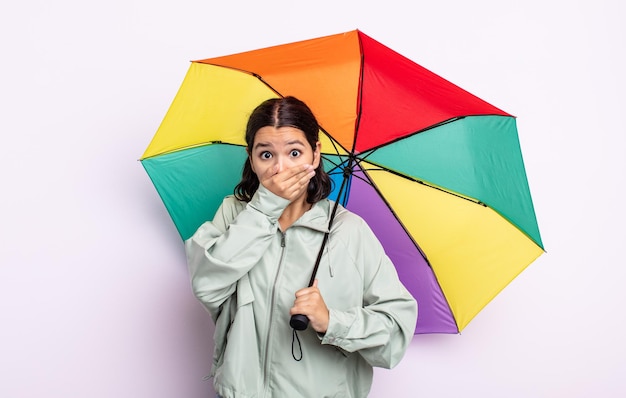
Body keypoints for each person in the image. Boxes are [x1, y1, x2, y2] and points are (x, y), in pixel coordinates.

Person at [185, 96, 417, 398]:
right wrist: (265, 207)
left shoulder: (349, 231)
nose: (280, 169)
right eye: (266, 155)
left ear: (315, 154)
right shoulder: (234, 214)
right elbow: (206, 285)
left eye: (295, 152)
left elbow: (395, 336)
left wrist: (332, 321)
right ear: (251, 158)